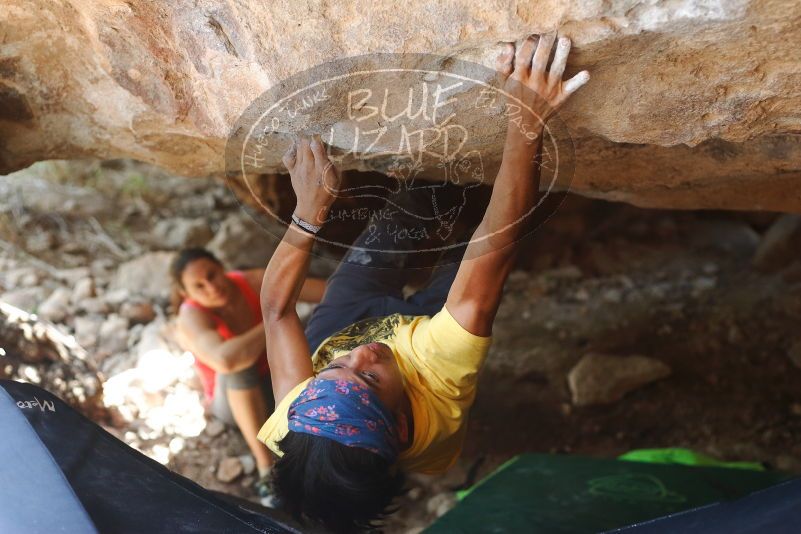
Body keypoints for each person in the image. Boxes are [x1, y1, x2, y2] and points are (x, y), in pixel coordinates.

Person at [257, 33, 590, 531]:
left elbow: (277, 312)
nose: (363, 355)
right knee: (493, 246)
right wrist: (527, 116)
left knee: (407, 210)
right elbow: (492, 245)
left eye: (335, 371)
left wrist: (309, 211)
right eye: (367, 379)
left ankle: (429, 184)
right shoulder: (440, 376)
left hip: (342, 319)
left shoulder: (303, 421)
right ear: (401, 424)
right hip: (425, 338)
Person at [170, 248, 326, 495]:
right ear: (186, 293)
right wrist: (277, 316)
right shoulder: (191, 316)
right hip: (235, 403)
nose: (211, 287)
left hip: (278, 378)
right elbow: (226, 360)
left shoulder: (254, 282)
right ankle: (266, 468)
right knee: (239, 368)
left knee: (318, 323)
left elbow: (329, 292)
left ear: (222, 267)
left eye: (212, 275)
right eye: (199, 286)